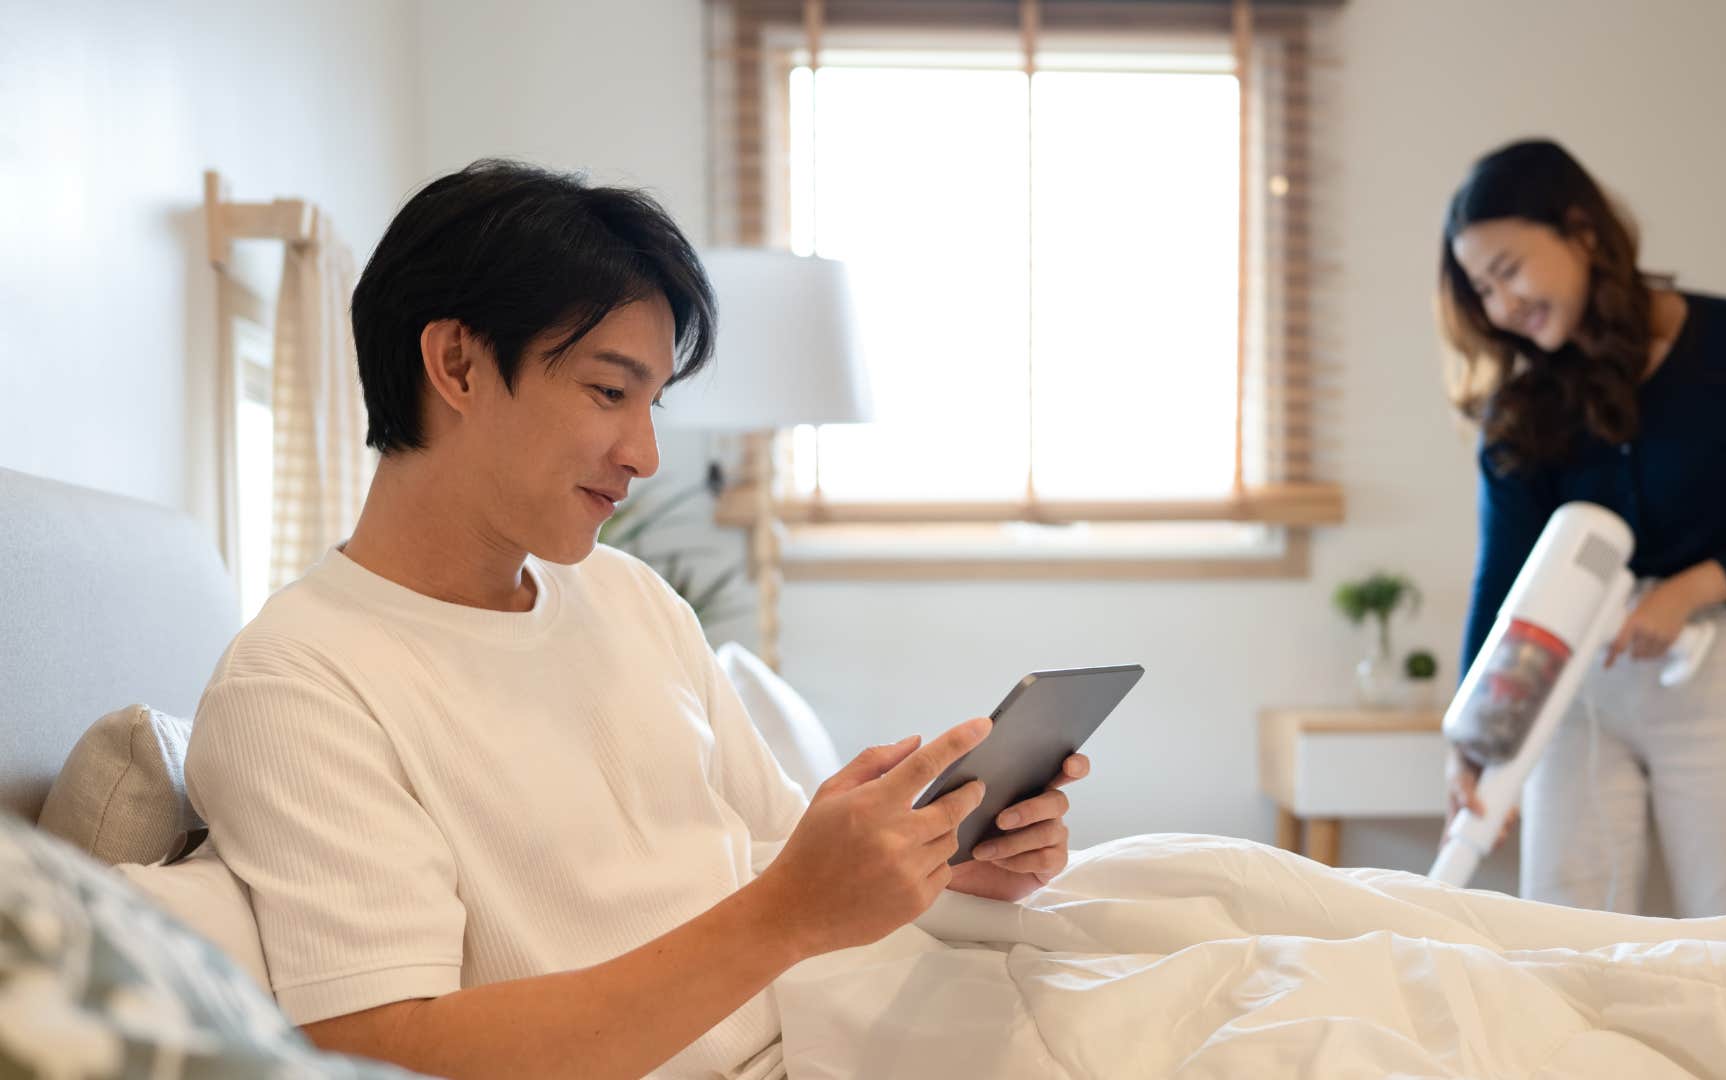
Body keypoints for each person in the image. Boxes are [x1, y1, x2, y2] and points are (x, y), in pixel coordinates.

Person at [183, 159, 1090, 1080]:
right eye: (609, 393)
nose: (646, 453)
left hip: (835, 1025)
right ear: (456, 363)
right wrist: (795, 910)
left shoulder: (629, 596)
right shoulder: (298, 684)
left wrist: (937, 867)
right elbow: (385, 1048)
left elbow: (774, 859)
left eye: (651, 403)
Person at [1435, 139, 1726, 917]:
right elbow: (1504, 579)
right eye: (1482, 289)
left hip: (1721, 667)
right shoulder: (1524, 411)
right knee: (1567, 923)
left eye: (1510, 270)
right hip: (1573, 683)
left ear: (1582, 232)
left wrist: (1688, 590)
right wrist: (1474, 734)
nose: (1499, 306)